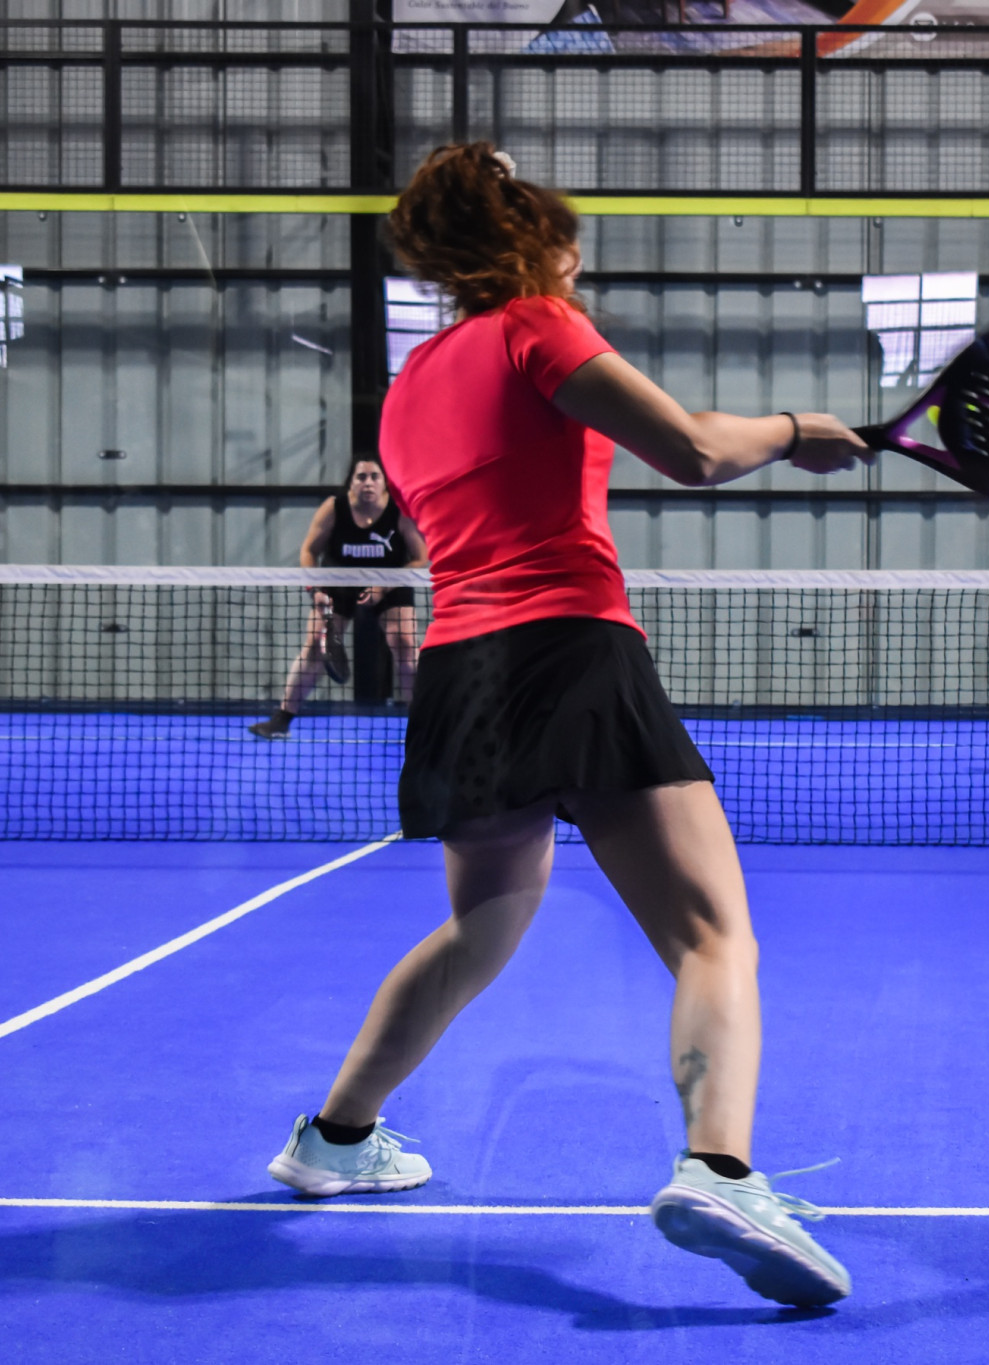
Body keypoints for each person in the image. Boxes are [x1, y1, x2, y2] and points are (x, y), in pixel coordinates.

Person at [262, 143, 873, 1310]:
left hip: (461, 673)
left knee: (480, 926)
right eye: (568, 244)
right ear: (534, 245)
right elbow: (693, 450)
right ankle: (720, 1171)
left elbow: (599, 446)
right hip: (571, 647)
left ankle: (335, 1139)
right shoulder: (538, 326)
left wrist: (772, 428)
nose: (577, 262)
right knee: (713, 937)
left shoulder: (408, 384)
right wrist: (796, 427)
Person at [248, 457, 429, 739]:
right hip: (338, 585)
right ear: (351, 482)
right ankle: (281, 719)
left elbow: (421, 558)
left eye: (374, 477)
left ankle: (421, 726)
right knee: (314, 647)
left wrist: (384, 587)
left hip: (390, 583)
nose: (368, 483)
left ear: (384, 483)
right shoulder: (334, 509)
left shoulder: (398, 510)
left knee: (405, 645)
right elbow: (309, 550)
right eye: (361, 477)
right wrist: (316, 590)